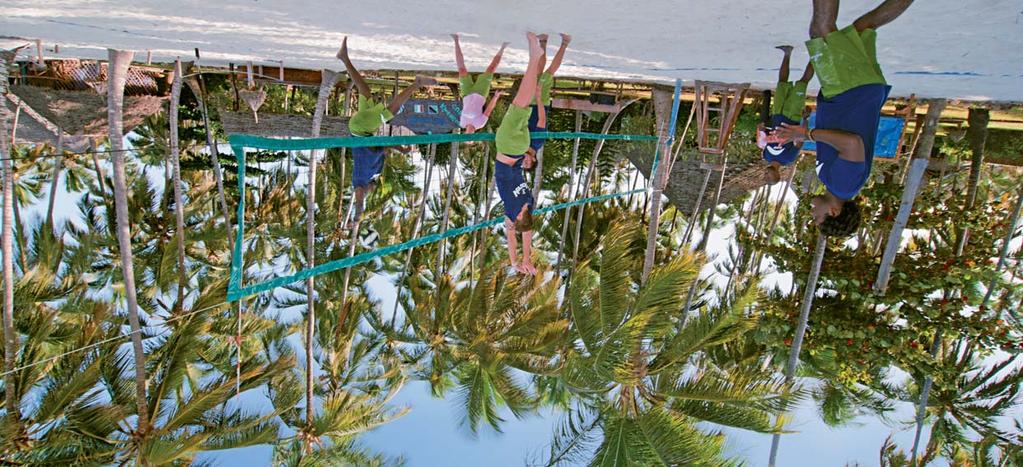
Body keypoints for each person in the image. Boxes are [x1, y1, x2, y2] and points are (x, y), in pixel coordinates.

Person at [773, 0, 911, 237]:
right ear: (834, 212)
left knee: (864, 26)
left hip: (856, 92)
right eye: (816, 216)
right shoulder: (844, 185)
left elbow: (839, 143)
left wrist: (802, 131)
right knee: (821, 31)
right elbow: (852, 143)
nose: (812, 210)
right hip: (849, 91)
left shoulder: (838, 183)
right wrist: (805, 134)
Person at [337, 37, 435, 226]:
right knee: (364, 90)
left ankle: (417, 83)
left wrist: (358, 213)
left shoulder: (360, 181)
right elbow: (383, 147)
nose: (372, 191)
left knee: (392, 110)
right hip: (364, 129)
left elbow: (359, 195)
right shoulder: (376, 172)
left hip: (360, 130)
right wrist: (403, 150)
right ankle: (344, 58)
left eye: (368, 193)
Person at [494, 32, 545, 275]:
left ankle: (535, 57)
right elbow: (515, 239)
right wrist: (515, 262)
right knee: (520, 101)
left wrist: (526, 260)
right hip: (508, 146)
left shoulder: (529, 204)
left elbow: (526, 235)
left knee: (524, 102)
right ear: (516, 220)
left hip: (522, 146)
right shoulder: (511, 210)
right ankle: (534, 57)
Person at [758, 45, 813, 185]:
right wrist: (805, 119)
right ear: (777, 175)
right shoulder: (788, 158)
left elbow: (766, 137)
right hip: (792, 117)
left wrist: (762, 129)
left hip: (777, 114)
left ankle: (787, 53)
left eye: (764, 176)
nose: (765, 174)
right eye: (768, 177)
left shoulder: (766, 155)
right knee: (802, 83)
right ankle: (816, 55)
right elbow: (800, 141)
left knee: (781, 83)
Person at [524, 33, 571, 169]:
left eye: (523, 163)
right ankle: (565, 43)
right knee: (549, 72)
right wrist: (538, 98)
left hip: (531, 103)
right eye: (527, 163)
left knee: (538, 72)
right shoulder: (537, 143)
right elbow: (542, 120)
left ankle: (543, 41)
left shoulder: (525, 145)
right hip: (540, 102)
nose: (524, 161)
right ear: (533, 159)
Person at [452, 34, 507, 133]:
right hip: (481, 93)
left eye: (467, 137)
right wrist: (495, 97)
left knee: (461, 70)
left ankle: (456, 40)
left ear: (465, 133)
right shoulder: (480, 124)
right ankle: (503, 47)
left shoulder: (462, 122)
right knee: (491, 69)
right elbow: (488, 110)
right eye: (471, 138)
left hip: (466, 93)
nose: (469, 134)